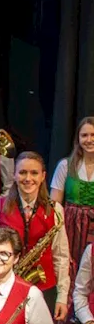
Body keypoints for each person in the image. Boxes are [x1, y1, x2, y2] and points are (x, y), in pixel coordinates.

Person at [0, 152, 69, 318]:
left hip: (44, 288)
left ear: (43, 176)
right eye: (22, 172)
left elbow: (61, 256)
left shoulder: (56, 210)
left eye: (34, 173)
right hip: (6, 287)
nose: (28, 178)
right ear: (14, 175)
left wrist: (62, 297)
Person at [47, 116, 94, 275]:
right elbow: (54, 203)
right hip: (70, 226)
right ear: (78, 138)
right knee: (69, 267)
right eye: (84, 135)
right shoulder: (65, 165)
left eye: (93, 135)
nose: (89, 139)